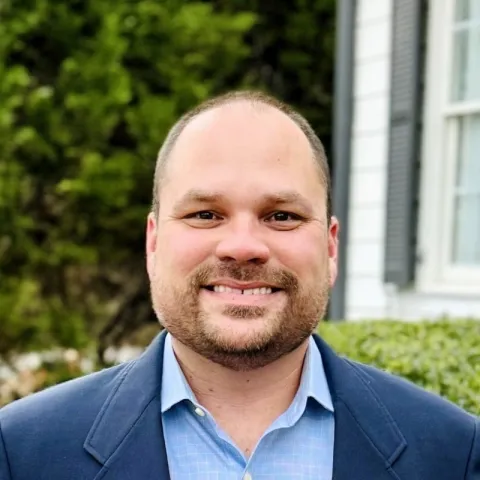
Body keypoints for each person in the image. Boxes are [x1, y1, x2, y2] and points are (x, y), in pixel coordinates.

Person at [0, 91, 478, 480]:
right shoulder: (21, 454)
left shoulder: (452, 455)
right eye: (205, 214)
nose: (243, 247)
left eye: (282, 216)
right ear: (154, 242)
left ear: (331, 247)